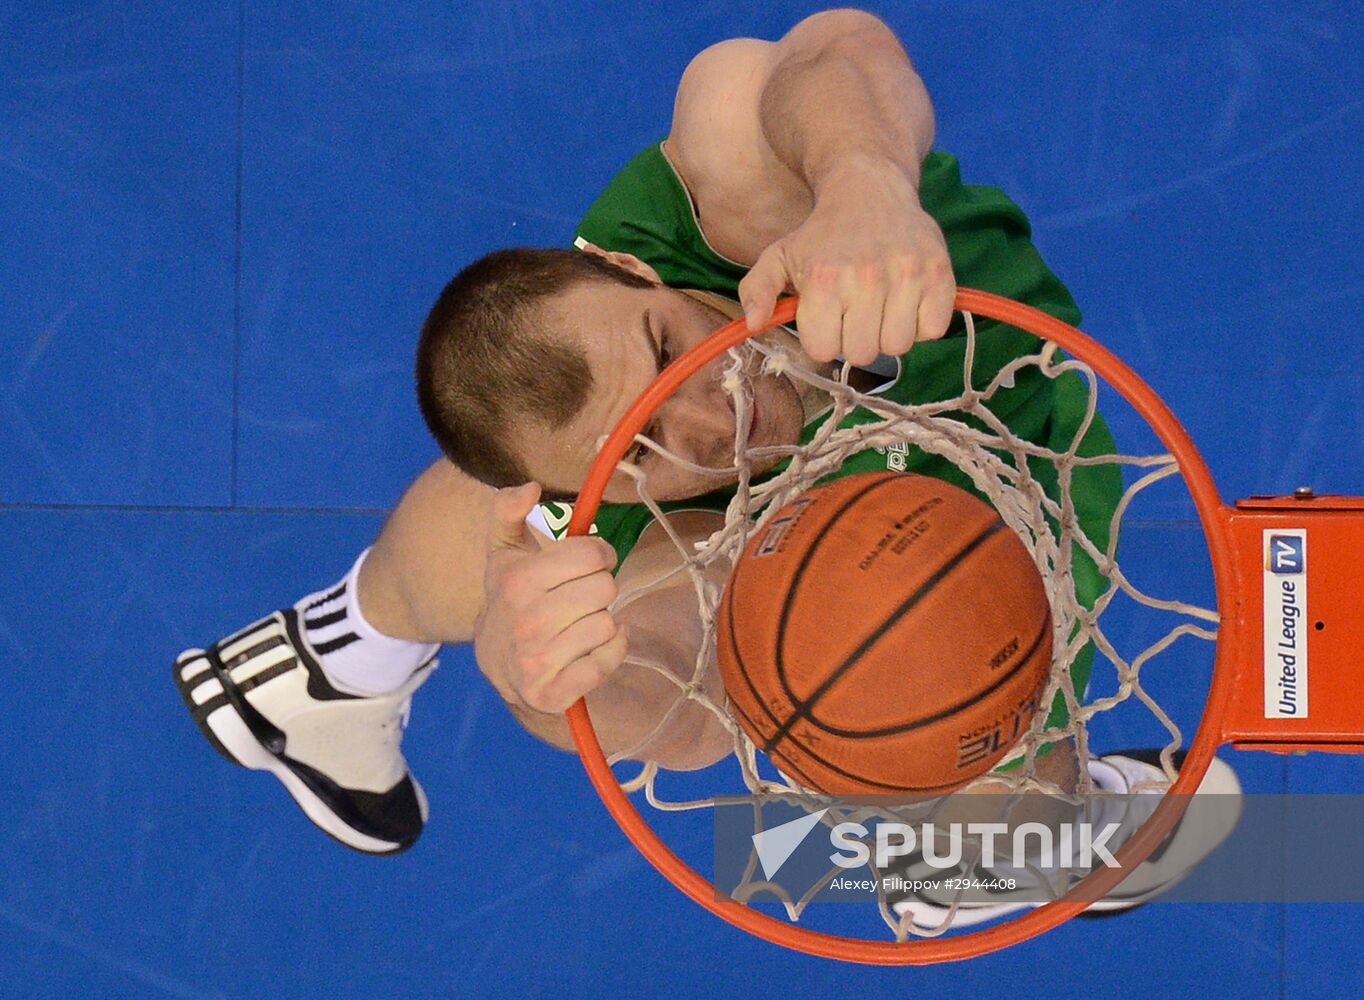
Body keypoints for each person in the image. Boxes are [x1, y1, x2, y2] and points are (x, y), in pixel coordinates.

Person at [174, 10, 1238, 922]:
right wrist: (550, 685)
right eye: (633, 455)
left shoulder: (724, 205)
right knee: (957, 734)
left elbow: (821, 52)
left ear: (630, 265)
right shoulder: (632, 511)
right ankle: (968, 860)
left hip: (991, 390)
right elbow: (680, 699)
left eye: (665, 350)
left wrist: (860, 179)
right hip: (989, 537)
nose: (706, 423)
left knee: (521, 463)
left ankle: (336, 661)